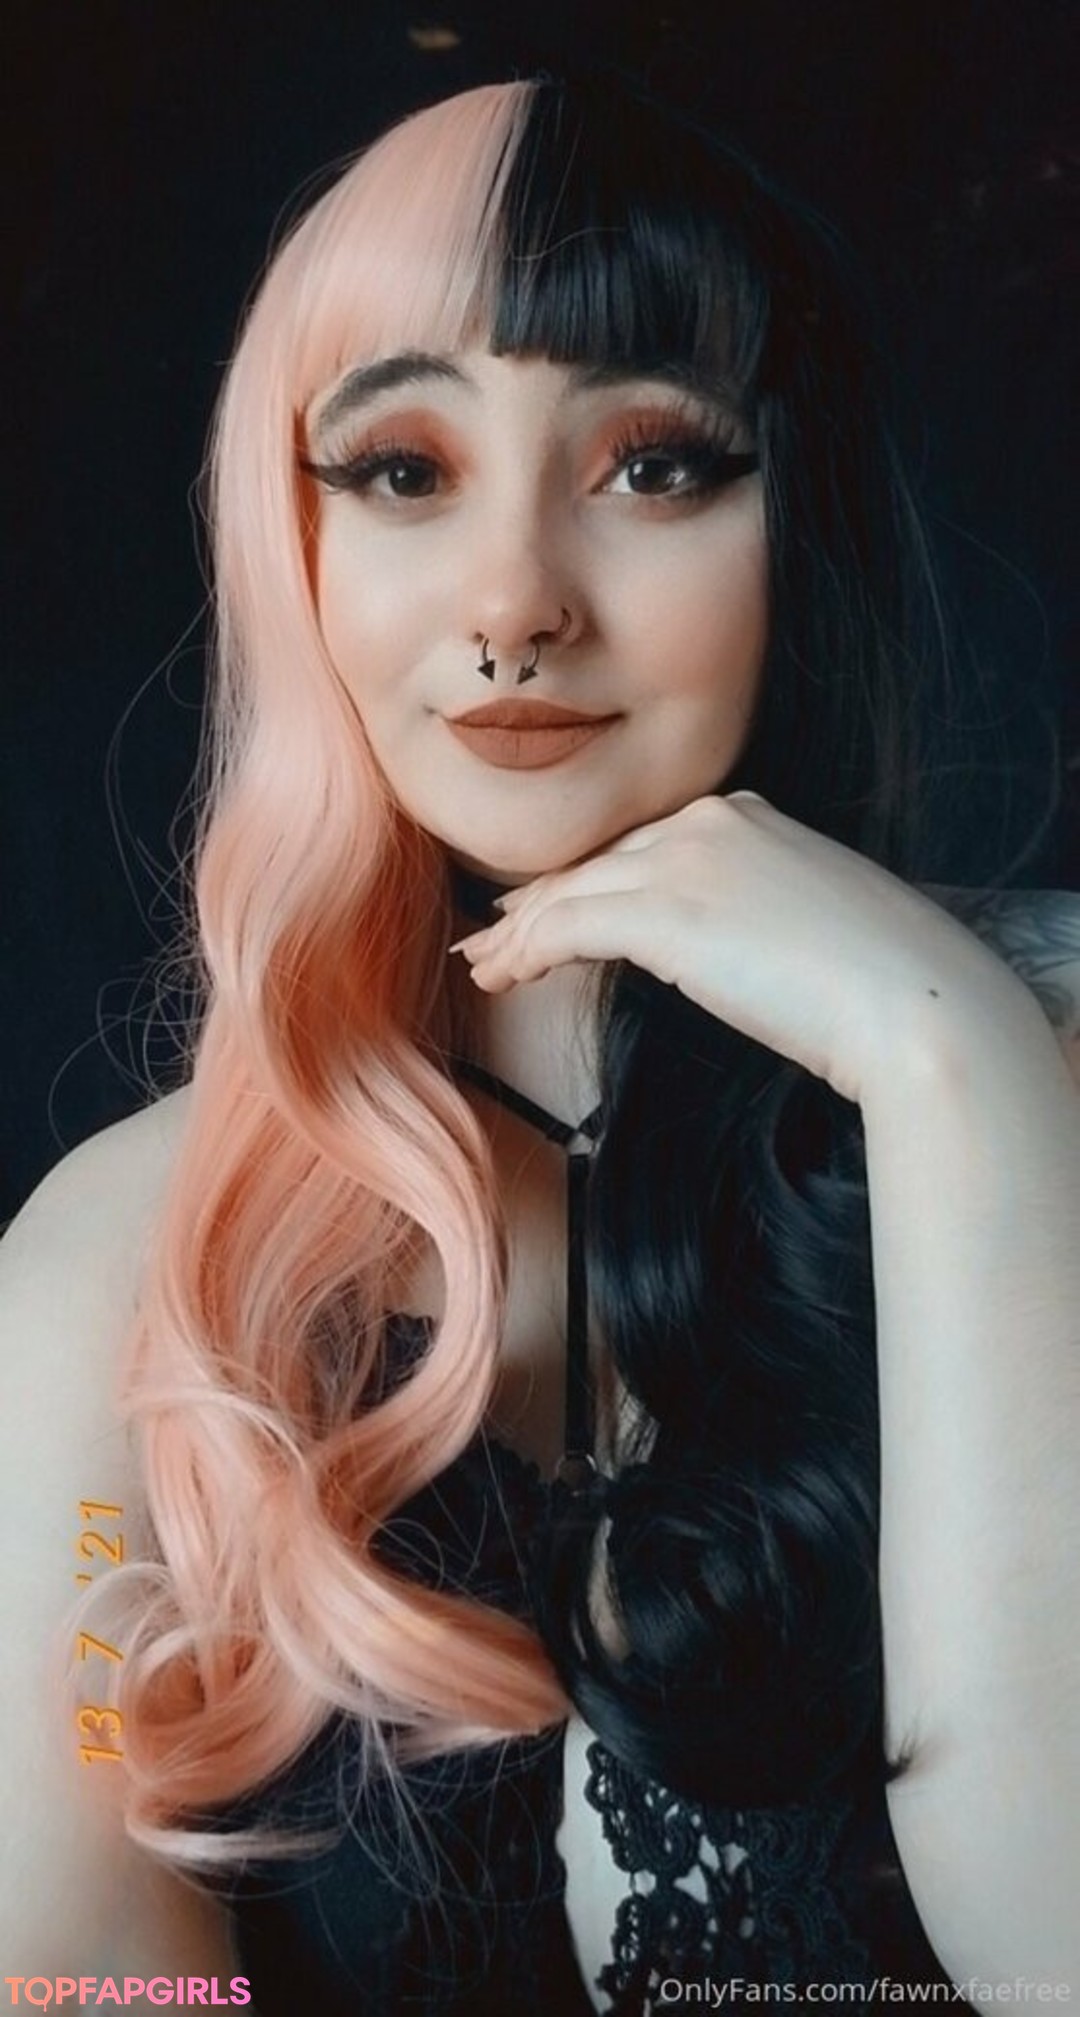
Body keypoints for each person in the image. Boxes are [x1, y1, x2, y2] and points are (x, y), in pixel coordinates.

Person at [2, 72, 1079, 2016]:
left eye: (653, 463)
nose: (514, 603)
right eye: (403, 468)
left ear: (800, 515)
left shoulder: (1021, 1089)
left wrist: (954, 1065)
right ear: (290, 536)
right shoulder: (125, 1260)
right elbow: (82, 1976)